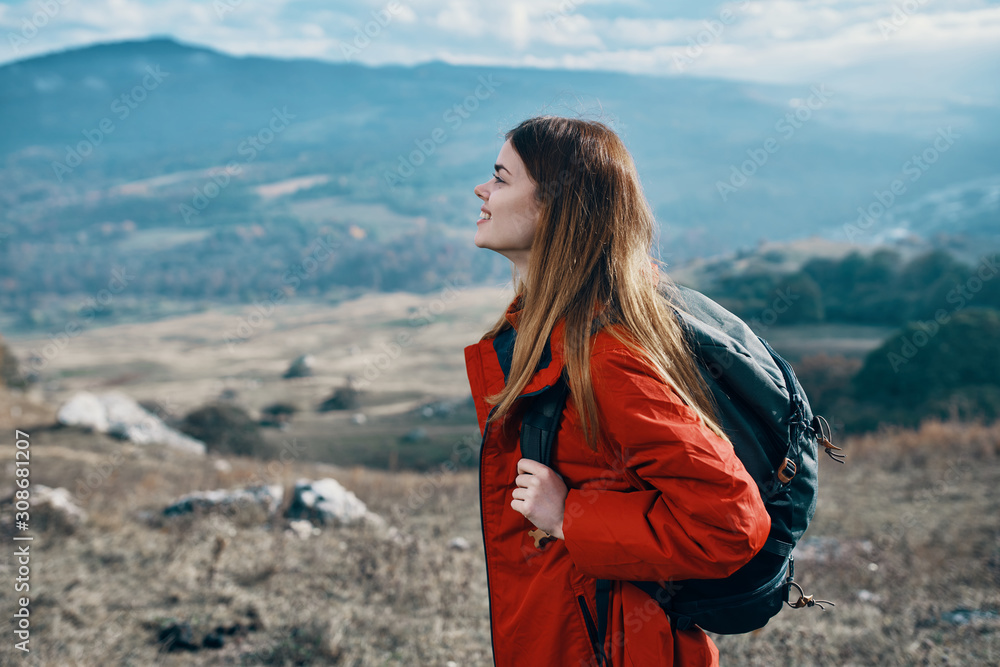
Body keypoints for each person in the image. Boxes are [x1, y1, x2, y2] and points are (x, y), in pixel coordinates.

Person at [464, 115, 771, 666]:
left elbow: (730, 522)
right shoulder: (557, 328)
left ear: (555, 206)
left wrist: (567, 518)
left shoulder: (607, 354)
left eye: (502, 178)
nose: (482, 190)